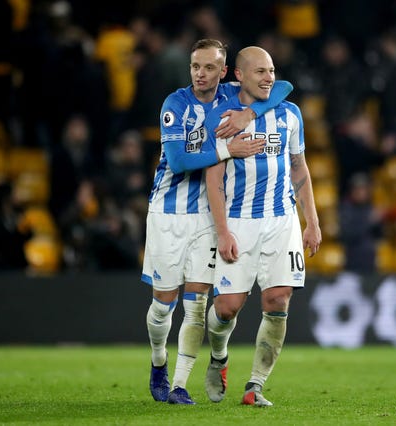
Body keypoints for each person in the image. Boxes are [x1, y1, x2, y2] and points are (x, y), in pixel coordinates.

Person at [141, 39, 294, 405]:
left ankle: (178, 385)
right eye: (196, 66)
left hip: (210, 217)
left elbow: (284, 88)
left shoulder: (230, 99)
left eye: (209, 67)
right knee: (163, 305)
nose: (201, 73)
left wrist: (250, 115)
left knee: (196, 306)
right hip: (167, 213)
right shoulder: (175, 104)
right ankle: (159, 360)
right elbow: (177, 162)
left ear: (224, 72)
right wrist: (228, 149)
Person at [203, 46, 321, 407]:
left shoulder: (289, 114)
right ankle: (219, 356)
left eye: (271, 70)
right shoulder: (223, 115)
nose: (269, 77)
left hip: (281, 219)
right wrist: (222, 232)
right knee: (227, 307)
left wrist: (311, 221)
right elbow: (214, 178)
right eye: (260, 72)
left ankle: (255, 386)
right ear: (239, 75)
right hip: (239, 222)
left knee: (277, 298)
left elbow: (299, 167)